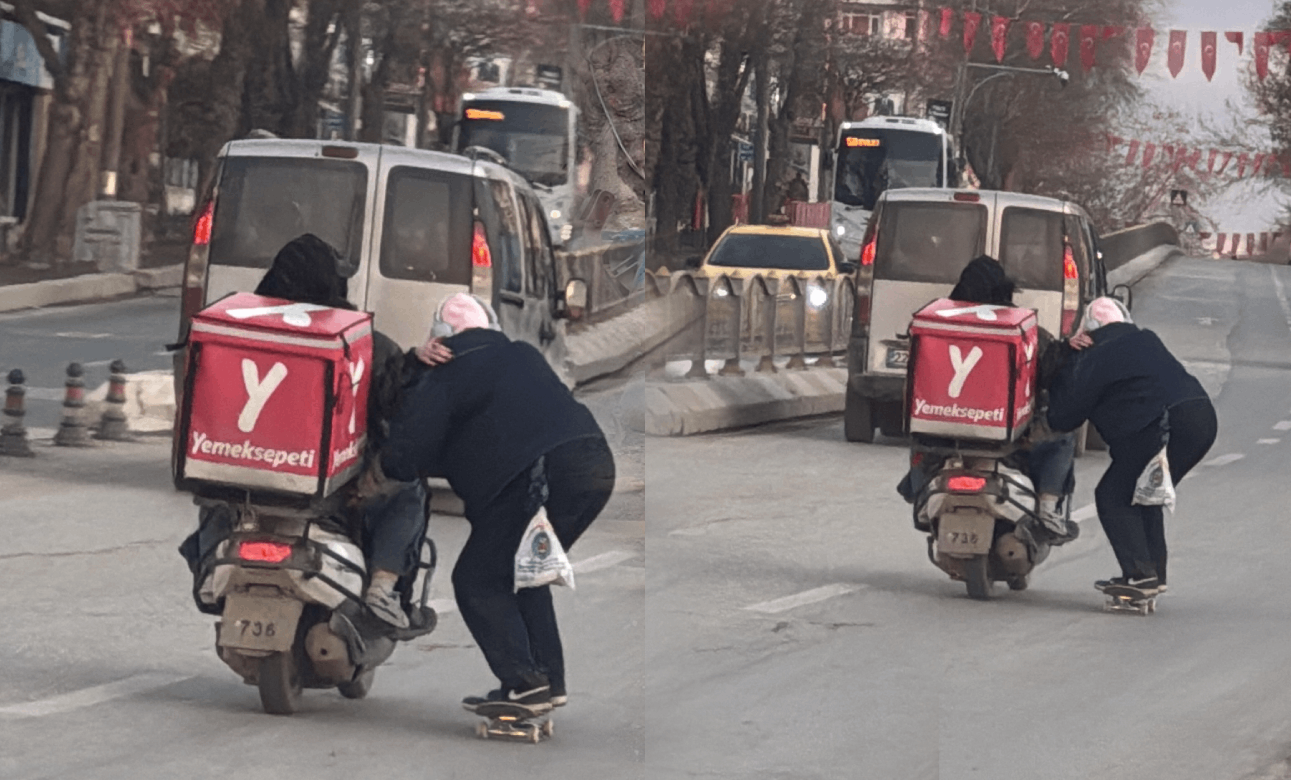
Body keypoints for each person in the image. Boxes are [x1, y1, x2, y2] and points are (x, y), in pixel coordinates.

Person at [376, 292, 615, 711]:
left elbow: (403, 456)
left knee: (478, 580)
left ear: (441, 339)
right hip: (593, 465)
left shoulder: (447, 373)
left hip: (534, 476)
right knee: (524, 570)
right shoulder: (522, 353)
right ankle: (548, 680)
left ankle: (525, 682)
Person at [179, 234, 428, 630]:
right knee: (408, 491)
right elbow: (395, 414)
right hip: (330, 490)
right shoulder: (364, 343)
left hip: (245, 479)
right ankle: (383, 587)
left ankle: (210, 567)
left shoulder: (241, 331)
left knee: (217, 500)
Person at [898, 255, 1079, 544]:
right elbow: (1052, 373)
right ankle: (1047, 510)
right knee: (1063, 438)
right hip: (1007, 439)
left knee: (920, 442)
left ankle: (920, 496)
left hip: (944, 437)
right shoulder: (1023, 330)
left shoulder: (938, 324)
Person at [1047, 297, 1217, 595]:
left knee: (1113, 494)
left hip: (1156, 426)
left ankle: (1140, 574)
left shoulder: (1095, 355)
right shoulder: (1146, 339)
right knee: (1147, 491)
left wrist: (1065, 359)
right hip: (1200, 418)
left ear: (1088, 329)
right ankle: (1154, 573)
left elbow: (1063, 417)